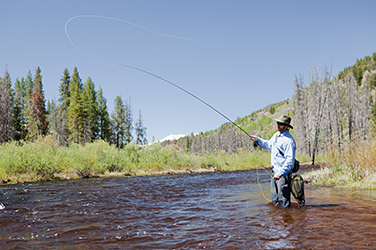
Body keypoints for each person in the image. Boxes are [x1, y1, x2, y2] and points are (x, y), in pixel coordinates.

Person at [250, 114, 296, 208]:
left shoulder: (289, 141)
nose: (278, 125)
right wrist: (257, 139)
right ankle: (277, 221)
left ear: (286, 126)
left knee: (284, 202)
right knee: (275, 199)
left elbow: (290, 162)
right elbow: (268, 145)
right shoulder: (276, 135)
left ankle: (286, 221)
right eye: (277, 123)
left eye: (281, 124)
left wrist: (280, 173)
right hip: (274, 172)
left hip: (283, 175)